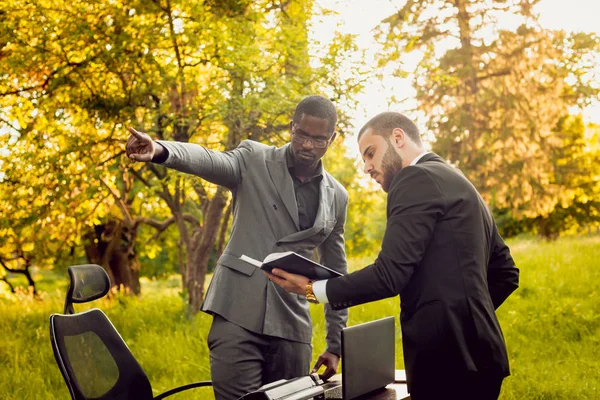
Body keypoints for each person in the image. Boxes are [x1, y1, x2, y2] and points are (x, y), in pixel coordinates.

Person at [267, 112, 520, 400]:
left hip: (444, 366)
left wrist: (312, 289)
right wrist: (466, 320)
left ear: (398, 138)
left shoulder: (415, 177)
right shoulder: (457, 179)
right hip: (484, 359)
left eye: (370, 153)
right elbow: (506, 273)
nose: (366, 168)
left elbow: (389, 275)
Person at [125, 95, 349, 400]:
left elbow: (338, 275)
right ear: (292, 128)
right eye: (302, 135)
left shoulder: (337, 196)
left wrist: (335, 345)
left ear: (332, 139)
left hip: (292, 325)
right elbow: (208, 159)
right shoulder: (254, 158)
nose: (308, 145)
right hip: (236, 314)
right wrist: (161, 150)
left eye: (319, 139)